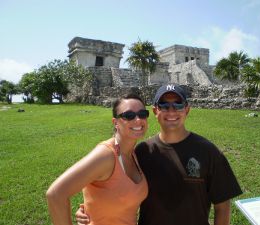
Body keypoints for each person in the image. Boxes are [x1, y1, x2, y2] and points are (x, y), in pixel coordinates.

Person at [76, 84, 243, 225]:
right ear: (155, 111)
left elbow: (222, 206)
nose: (171, 111)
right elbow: (118, 188)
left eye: (178, 105)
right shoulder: (141, 152)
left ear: (187, 109)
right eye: (164, 105)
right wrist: (89, 209)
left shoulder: (208, 151)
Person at [46, 94, 149, 225]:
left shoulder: (133, 153)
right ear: (115, 122)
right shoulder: (106, 155)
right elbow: (55, 194)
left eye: (142, 114)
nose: (138, 120)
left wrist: (90, 207)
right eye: (129, 115)